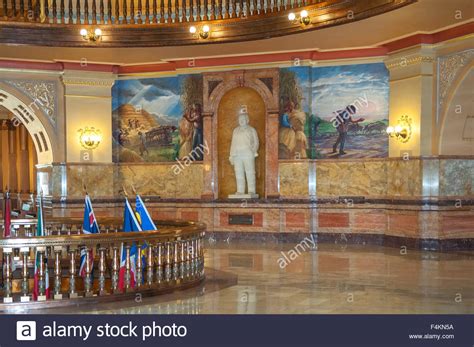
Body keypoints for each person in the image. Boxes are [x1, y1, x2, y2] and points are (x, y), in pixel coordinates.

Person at [229, 109, 259, 196]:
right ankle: (240, 191)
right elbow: (233, 143)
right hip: (237, 155)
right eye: (240, 119)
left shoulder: (251, 130)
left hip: (248, 154)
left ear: (247, 120)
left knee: (250, 172)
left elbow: (256, 142)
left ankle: (251, 191)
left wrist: (253, 151)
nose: (241, 121)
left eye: (243, 119)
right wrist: (231, 156)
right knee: (239, 173)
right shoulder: (235, 130)